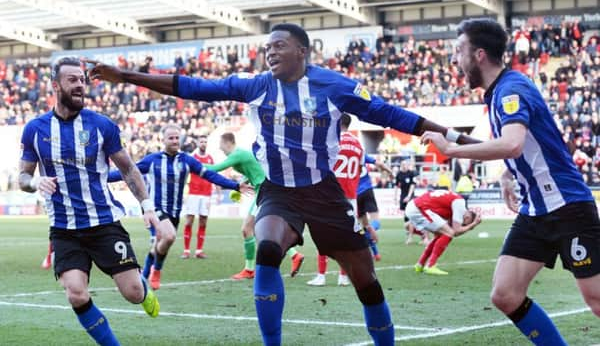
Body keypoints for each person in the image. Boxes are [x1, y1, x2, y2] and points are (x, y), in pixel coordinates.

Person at [89, 23, 478, 346]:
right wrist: (124, 76)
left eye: (279, 46)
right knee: (269, 247)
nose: (270, 52)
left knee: (365, 281)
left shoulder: (335, 86)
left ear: (302, 51)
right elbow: (191, 87)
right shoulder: (255, 85)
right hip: (278, 190)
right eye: (267, 47)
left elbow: (391, 114)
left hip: (324, 192)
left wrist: (461, 140)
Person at [421, 17, 600, 345]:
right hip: (536, 211)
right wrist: (508, 173)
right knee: (505, 294)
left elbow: (513, 143)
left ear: (478, 55)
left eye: (459, 51)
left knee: (597, 300)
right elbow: (526, 145)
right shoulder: (502, 91)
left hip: (568, 207)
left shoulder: (510, 90)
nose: (455, 61)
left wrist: (451, 149)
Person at [19, 57, 161, 346]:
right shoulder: (35, 129)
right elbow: (23, 176)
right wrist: (35, 182)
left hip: (104, 223)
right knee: (76, 293)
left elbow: (128, 168)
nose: (80, 85)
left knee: (133, 293)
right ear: (56, 86)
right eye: (73, 80)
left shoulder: (101, 125)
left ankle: (143, 289)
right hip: (64, 228)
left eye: (83, 79)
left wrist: (146, 205)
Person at [108, 124, 248, 290]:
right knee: (169, 237)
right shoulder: (152, 160)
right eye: (171, 138)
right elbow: (126, 172)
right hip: (155, 209)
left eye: (177, 138)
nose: (175, 141)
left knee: (158, 246)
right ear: (163, 140)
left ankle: (144, 277)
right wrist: (102, 177)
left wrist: (235, 185)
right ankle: (156, 272)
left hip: (174, 212)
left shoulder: (187, 161)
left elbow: (209, 175)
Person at [205, 132, 304, 280]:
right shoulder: (242, 154)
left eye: (221, 146)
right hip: (262, 189)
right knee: (257, 230)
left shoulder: (237, 154)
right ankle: (293, 255)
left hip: (264, 190)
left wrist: (191, 164)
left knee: (248, 229)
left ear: (228, 142)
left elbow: (215, 168)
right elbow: (254, 170)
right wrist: (241, 185)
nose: (220, 149)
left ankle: (250, 269)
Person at [307, 113, 364, 287]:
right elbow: (360, 169)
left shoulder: (332, 141)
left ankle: (321, 276)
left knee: (321, 233)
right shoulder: (359, 145)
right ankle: (343, 276)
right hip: (350, 196)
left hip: (330, 194)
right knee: (346, 236)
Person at [406, 189, 480, 275]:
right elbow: (456, 231)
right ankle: (430, 265)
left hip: (416, 206)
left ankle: (420, 264)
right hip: (419, 208)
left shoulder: (455, 204)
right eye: (464, 223)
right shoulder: (460, 205)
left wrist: (469, 226)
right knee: (449, 233)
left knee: (440, 234)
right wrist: (472, 225)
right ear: (467, 217)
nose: (462, 224)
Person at [181, 135, 214, 259]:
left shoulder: (210, 158)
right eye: (202, 142)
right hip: (193, 193)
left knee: (203, 222)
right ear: (198, 143)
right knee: (189, 221)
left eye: (205, 141)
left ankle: (199, 251)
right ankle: (186, 250)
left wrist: (217, 191)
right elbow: (185, 175)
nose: (204, 144)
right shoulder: (193, 158)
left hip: (206, 194)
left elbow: (212, 175)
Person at [356, 155, 394, 261]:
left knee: (364, 227)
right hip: (367, 190)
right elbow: (380, 164)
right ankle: (372, 228)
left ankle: (376, 254)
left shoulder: (343, 155)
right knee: (375, 222)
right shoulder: (360, 153)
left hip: (355, 194)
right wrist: (390, 172)